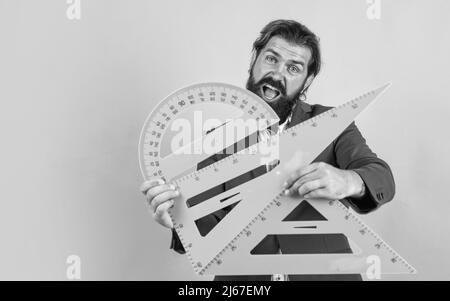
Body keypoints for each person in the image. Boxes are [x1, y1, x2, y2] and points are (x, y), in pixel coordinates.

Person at [140, 19, 395, 281]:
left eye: (293, 68)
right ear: (254, 61)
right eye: (271, 59)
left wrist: (349, 180)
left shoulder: (331, 123)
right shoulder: (219, 140)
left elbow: (380, 175)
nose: (277, 74)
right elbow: (209, 225)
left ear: (307, 81)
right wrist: (177, 220)